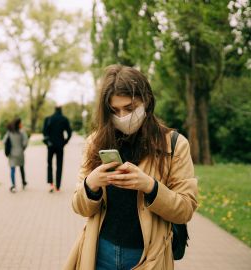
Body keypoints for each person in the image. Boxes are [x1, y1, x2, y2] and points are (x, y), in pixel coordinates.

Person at [63, 65, 198, 270]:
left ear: (147, 102)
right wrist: (91, 185)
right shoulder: (95, 143)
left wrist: (151, 187)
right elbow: (79, 207)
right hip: (100, 252)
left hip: (148, 257)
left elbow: (185, 209)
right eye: (114, 110)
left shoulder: (174, 145)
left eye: (130, 108)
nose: (122, 116)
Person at [43, 106, 72, 192]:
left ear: (54, 110)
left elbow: (44, 132)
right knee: (59, 165)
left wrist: (48, 141)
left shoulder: (48, 119)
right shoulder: (64, 119)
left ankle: (51, 184)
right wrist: (65, 142)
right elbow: (69, 133)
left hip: (50, 145)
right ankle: (58, 186)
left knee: (49, 164)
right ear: (61, 110)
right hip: (60, 145)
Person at [3, 117, 28, 193]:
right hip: (20, 153)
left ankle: (13, 186)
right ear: (19, 124)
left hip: (12, 153)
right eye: (21, 123)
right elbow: (25, 143)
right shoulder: (22, 132)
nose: (21, 124)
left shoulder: (9, 132)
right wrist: (22, 148)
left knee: (12, 170)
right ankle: (23, 183)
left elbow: (4, 141)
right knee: (21, 168)